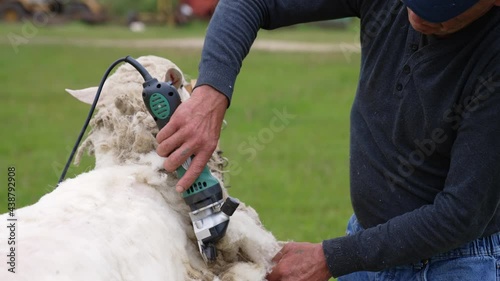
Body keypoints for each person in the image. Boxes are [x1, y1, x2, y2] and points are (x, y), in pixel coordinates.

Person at [155, 0, 500, 280]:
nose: (418, 18)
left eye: (441, 16)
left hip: (456, 264)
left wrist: (330, 258)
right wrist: (211, 92)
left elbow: (461, 214)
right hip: (366, 246)